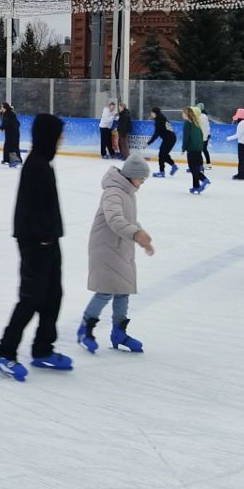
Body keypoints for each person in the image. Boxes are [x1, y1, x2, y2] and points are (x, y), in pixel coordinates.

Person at [0, 114, 70, 380]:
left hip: (48, 241)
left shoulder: (43, 163)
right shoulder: (36, 166)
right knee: (31, 299)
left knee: (53, 296)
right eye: (58, 134)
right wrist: (43, 237)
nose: (62, 139)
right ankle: (4, 352)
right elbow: (29, 210)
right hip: (36, 243)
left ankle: (43, 349)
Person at [76, 152, 155, 354]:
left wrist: (143, 240)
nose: (143, 182)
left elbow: (129, 221)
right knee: (105, 291)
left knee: (123, 291)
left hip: (120, 248)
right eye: (141, 178)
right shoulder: (113, 192)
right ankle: (86, 328)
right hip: (105, 249)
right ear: (131, 176)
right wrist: (137, 234)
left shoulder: (127, 193)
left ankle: (119, 332)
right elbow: (115, 221)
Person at [181, 106, 208, 194]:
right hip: (198, 148)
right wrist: (200, 147)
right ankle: (196, 186)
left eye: (183, 113)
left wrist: (183, 148)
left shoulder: (187, 123)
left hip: (192, 149)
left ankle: (204, 180)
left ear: (187, 114)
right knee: (195, 168)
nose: (182, 115)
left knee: (192, 168)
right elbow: (201, 135)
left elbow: (186, 137)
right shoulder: (196, 122)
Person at [145, 107, 177, 178]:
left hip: (169, 139)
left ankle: (162, 171)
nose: (151, 114)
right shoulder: (161, 118)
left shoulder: (159, 121)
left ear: (155, 113)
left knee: (162, 155)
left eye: (152, 113)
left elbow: (156, 134)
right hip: (170, 138)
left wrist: (149, 142)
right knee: (163, 154)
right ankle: (173, 166)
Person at [228, 108, 244, 180]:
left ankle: (241, 175)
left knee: (242, 160)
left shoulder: (241, 124)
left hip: (242, 144)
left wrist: (228, 138)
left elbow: (237, 135)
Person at [0, 102, 22, 168]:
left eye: (2, 107)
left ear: (5, 107)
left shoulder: (8, 113)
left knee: (12, 146)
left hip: (12, 133)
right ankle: (7, 159)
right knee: (7, 145)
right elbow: (5, 120)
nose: (1, 108)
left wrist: (1, 127)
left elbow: (6, 122)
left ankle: (15, 161)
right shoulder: (8, 113)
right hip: (12, 132)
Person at [197, 103, 212, 167]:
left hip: (204, 135)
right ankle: (206, 164)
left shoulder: (202, 116)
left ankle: (201, 164)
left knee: (201, 149)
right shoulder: (204, 116)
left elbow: (203, 127)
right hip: (205, 134)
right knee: (203, 149)